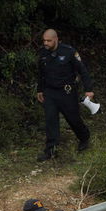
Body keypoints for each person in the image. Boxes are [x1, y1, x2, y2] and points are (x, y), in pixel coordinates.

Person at [36, 28, 95, 161]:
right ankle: (51, 150)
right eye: (44, 40)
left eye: (49, 41)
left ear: (56, 39)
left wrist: (89, 89)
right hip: (50, 92)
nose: (46, 43)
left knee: (73, 119)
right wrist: (40, 89)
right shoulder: (43, 53)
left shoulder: (69, 52)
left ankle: (84, 137)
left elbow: (82, 70)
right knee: (50, 120)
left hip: (66, 92)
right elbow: (41, 73)